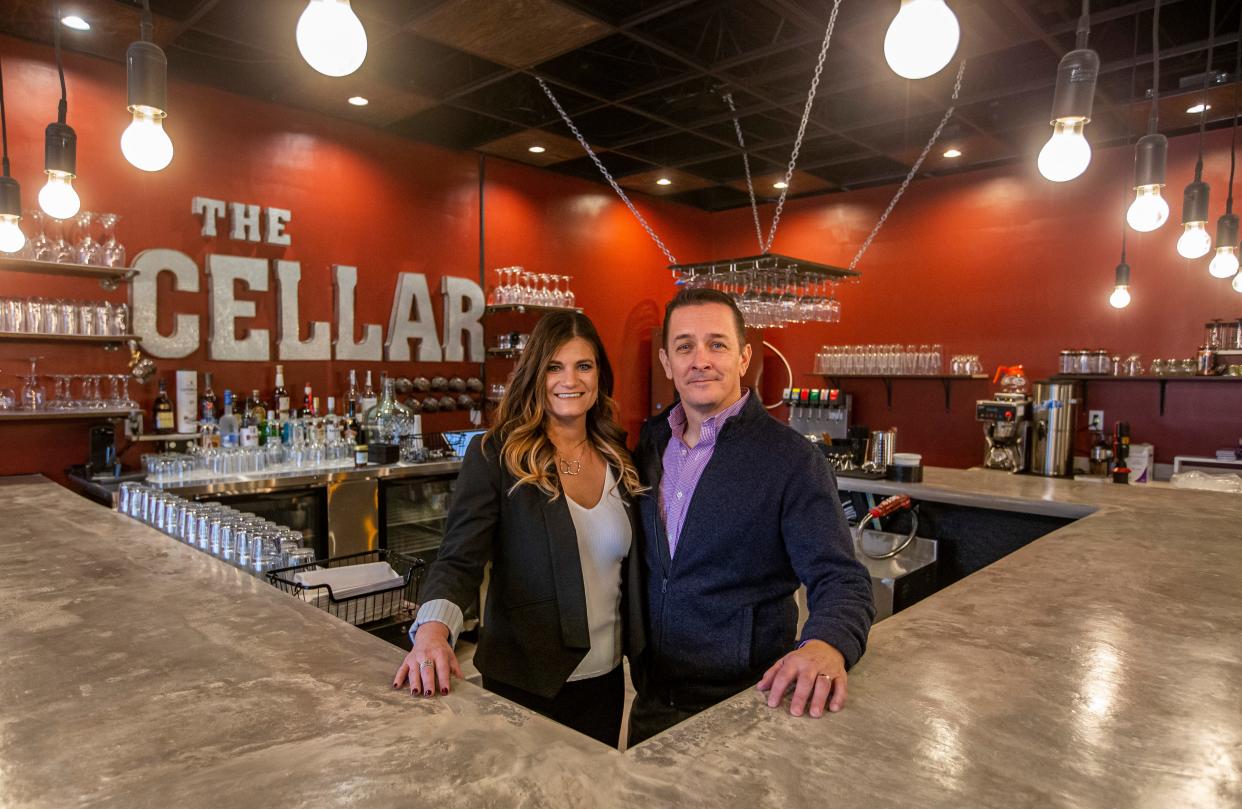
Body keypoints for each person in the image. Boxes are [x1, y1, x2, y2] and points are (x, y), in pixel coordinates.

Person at [628, 287, 875, 746]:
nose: (700, 359)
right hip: (651, 701)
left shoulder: (791, 459)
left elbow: (841, 578)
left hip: (744, 707)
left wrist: (827, 642)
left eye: (716, 344)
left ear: (743, 357)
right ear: (667, 362)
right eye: (685, 346)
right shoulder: (650, 443)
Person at [393, 311, 645, 747]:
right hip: (527, 680)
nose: (570, 379)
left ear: (599, 376)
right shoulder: (496, 455)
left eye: (583, 366)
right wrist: (433, 631)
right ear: (534, 374)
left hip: (606, 681)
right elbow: (459, 558)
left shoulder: (618, 455)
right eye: (554, 367)